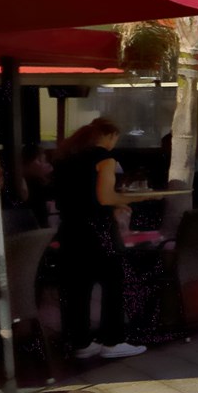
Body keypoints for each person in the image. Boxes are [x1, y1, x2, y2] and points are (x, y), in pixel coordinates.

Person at [49, 121, 145, 362]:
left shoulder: (66, 159)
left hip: (70, 229)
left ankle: (80, 342)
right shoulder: (105, 159)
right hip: (98, 230)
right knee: (113, 283)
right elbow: (105, 197)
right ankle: (113, 340)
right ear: (109, 136)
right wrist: (134, 199)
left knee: (77, 287)